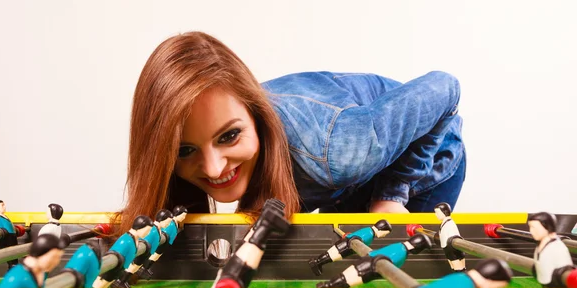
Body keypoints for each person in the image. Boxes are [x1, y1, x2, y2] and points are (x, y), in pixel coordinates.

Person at [118, 31, 465, 233]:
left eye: (228, 137)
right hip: (343, 183)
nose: (212, 168)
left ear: (254, 112)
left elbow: (445, 88)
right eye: (184, 150)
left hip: (425, 160)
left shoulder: (340, 151)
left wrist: (393, 193)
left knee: (375, 280)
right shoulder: (239, 132)